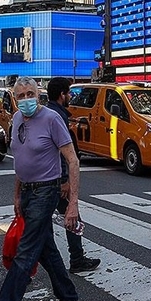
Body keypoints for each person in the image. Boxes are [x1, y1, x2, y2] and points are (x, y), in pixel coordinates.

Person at [0, 77, 82, 301]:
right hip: (28, 192)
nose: (25, 99)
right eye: (20, 96)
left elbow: (72, 160)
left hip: (46, 190)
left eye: (29, 94)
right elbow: (20, 160)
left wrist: (73, 204)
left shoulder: (52, 119)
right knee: (46, 250)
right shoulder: (17, 120)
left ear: (39, 94)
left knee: (25, 252)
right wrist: (17, 195)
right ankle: (69, 299)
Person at [45, 77, 101, 273]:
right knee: (71, 216)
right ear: (62, 95)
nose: (70, 96)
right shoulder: (56, 116)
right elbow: (61, 151)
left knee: (41, 224)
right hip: (56, 179)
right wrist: (65, 180)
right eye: (68, 93)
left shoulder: (48, 112)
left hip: (46, 178)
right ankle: (76, 259)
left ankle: (27, 267)